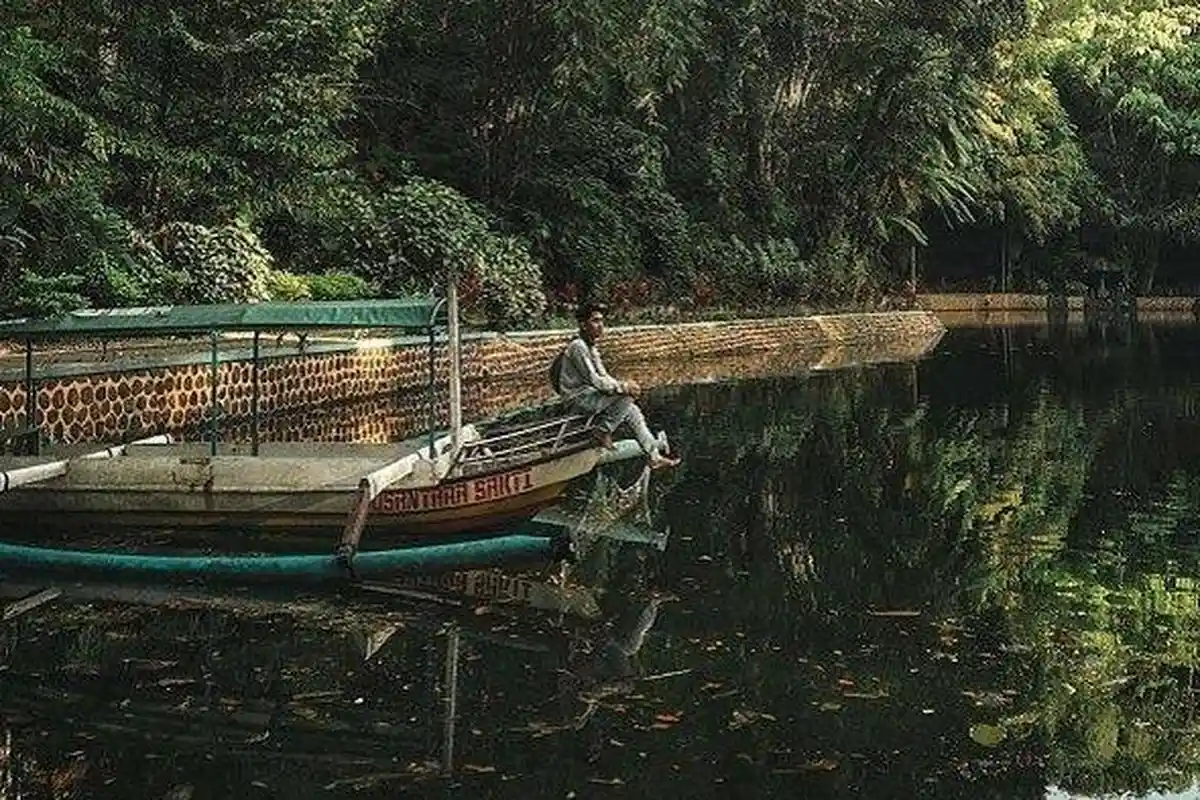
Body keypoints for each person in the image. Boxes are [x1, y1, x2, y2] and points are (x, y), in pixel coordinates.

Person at [552, 301, 679, 470]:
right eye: (595, 321)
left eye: (602, 321)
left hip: (589, 396)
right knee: (626, 396)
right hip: (577, 398)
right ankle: (603, 431)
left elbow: (605, 376)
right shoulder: (578, 347)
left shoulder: (592, 348)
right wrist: (624, 388)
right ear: (583, 324)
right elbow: (594, 380)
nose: (600, 326)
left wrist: (624, 385)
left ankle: (654, 456)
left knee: (632, 409)